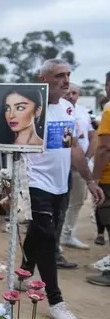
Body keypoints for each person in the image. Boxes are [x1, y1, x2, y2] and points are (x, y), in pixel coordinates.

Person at [17, 59, 103, 319]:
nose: (66, 81)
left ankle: (22, 274)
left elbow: (74, 147)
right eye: (59, 76)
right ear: (43, 80)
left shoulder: (68, 108)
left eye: (68, 75)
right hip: (34, 181)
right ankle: (56, 303)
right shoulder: (30, 109)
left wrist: (89, 180)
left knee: (39, 232)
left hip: (60, 183)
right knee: (48, 237)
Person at [60, 84, 97, 249]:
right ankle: (56, 238)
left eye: (74, 93)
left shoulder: (83, 112)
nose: (71, 96)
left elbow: (92, 135)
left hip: (81, 164)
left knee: (78, 200)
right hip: (63, 163)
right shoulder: (59, 110)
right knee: (60, 201)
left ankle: (67, 234)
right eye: (68, 93)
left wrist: (87, 158)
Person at [89, 72, 110, 286]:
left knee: (107, 217)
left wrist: (94, 179)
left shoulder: (109, 109)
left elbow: (104, 147)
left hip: (108, 176)